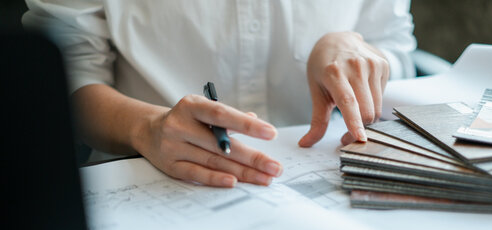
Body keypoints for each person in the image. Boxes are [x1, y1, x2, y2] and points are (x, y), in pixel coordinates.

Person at [23, 0, 416, 187]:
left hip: (325, 180)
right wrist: (146, 127)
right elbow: (65, 78)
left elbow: (397, 50)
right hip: (152, 183)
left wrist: (359, 52)